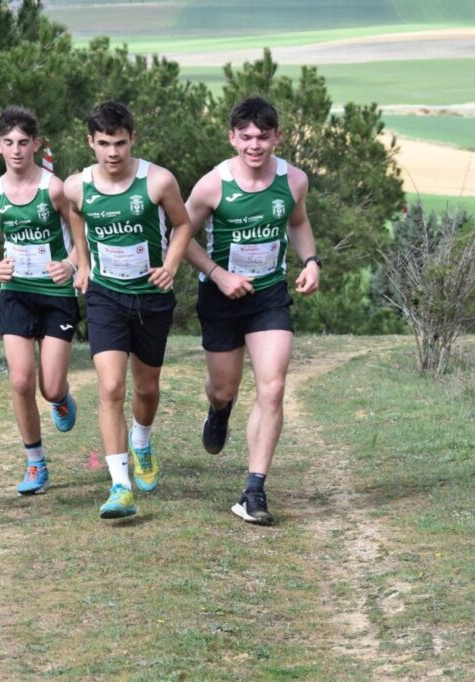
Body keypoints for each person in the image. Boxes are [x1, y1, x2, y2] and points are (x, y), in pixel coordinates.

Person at [184, 96, 320, 526]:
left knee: (273, 387)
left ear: (277, 137)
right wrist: (217, 273)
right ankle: (219, 410)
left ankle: (254, 489)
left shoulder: (294, 180)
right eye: (246, 137)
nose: (255, 145)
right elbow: (179, 237)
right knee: (224, 388)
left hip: (268, 296)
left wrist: (311, 261)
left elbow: (297, 222)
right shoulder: (212, 185)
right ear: (232, 137)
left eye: (263, 137)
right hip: (220, 297)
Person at [65, 101, 195, 519]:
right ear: (91, 142)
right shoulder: (77, 186)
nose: (112, 153)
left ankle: (142, 440)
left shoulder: (157, 180)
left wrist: (171, 265)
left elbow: (183, 224)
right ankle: (120, 485)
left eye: (120, 143)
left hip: (152, 297)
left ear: (132, 139)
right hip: (105, 295)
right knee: (110, 388)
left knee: (146, 389)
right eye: (103, 144)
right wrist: (83, 265)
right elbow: (74, 216)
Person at [0, 107, 80, 495]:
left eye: (23, 142)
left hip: (56, 293)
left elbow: (83, 235)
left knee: (50, 386)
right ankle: (35, 463)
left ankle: (61, 400)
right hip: (17, 295)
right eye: (8, 142)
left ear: (36, 144)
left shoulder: (54, 188)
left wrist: (72, 264)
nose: (16, 150)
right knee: (21, 380)